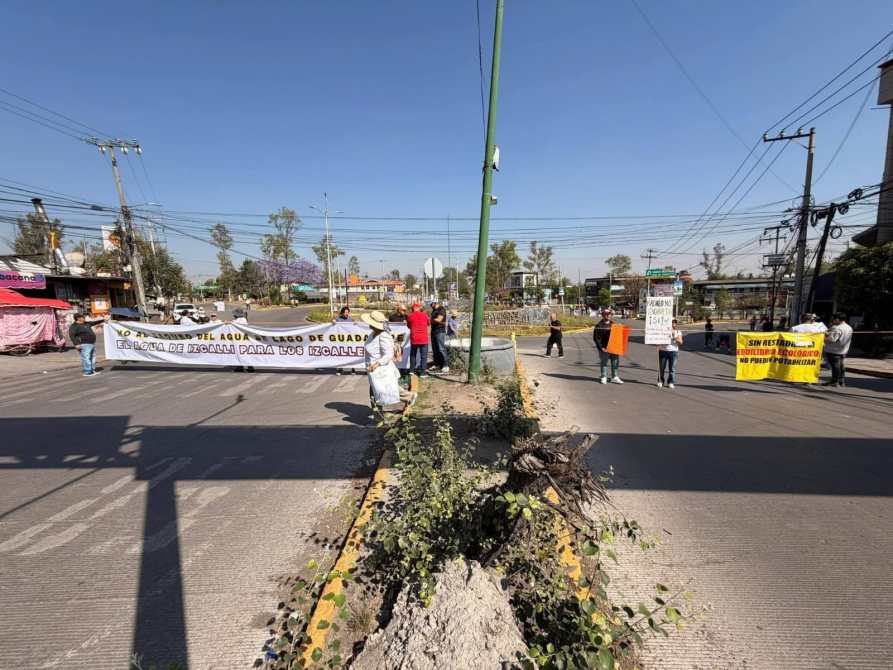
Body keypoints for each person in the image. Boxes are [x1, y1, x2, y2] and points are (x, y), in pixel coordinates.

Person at [362, 310, 417, 412]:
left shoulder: (383, 335)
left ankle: (409, 397)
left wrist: (377, 364)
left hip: (381, 369)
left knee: (387, 390)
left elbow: (388, 354)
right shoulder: (373, 334)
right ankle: (379, 415)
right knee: (378, 392)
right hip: (374, 370)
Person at [68, 313, 106, 377]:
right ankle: (87, 372)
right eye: (83, 317)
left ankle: (92, 370)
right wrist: (76, 344)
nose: (84, 318)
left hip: (91, 343)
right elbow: (72, 335)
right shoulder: (74, 326)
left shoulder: (86, 323)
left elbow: (95, 322)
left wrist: (103, 320)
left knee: (92, 357)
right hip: (83, 344)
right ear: (78, 318)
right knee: (86, 358)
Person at [823, 313, 853, 387]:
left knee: (835, 366)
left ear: (837, 319)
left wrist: (823, 337)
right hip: (843, 350)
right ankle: (841, 381)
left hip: (834, 350)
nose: (833, 321)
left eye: (834, 319)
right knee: (841, 366)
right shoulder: (849, 327)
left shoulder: (837, 328)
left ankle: (835, 381)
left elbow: (832, 339)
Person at [593, 309, 622, 384]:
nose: (608, 315)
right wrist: (601, 347)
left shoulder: (614, 324)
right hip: (604, 348)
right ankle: (603, 377)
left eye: (609, 314)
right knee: (604, 362)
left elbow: (617, 336)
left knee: (615, 362)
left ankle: (614, 377)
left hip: (613, 347)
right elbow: (596, 338)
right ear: (602, 315)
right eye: (606, 314)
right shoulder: (599, 325)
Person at [657, 319, 683, 389]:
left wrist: (674, 336)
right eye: (671, 322)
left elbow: (680, 342)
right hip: (663, 350)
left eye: (674, 323)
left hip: (673, 352)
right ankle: (660, 381)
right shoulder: (662, 331)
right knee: (661, 367)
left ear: (676, 324)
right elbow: (657, 339)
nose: (673, 324)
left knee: (672, 368)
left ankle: (671, 382)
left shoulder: (678, 332)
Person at [406, 303, 430, 377]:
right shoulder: (425, 315)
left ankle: (411, 371)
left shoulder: (410, 316)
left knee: (413, 355)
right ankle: (423, 373)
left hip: (414, 338)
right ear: (419, 308)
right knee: (424, 356)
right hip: (423, 338)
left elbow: (408, 326)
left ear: (412, 309)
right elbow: (428, 323)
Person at [430, 299, 448, 373]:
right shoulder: (433, 310)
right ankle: (437, 364)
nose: (430, 306)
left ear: (435, 303)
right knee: (435, 349)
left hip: (440, 331)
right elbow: (435, 320)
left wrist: (430, 319)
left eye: (431, 304)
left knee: (441, 348)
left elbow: (439, 319)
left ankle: (445, 365)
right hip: (433, 331)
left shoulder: (441, 309)